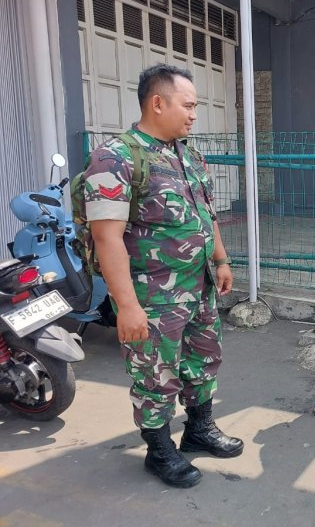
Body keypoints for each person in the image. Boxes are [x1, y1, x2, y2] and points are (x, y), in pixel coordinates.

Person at [84, 64, 243, 488]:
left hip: (199, 286)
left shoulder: (186, 153)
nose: (194, 115)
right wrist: (128, 307)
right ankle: (159, 451)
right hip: (151, 297)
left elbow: (206, 214)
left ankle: (199, 429)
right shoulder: (115, 157)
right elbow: (107, 238)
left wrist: (222, 261)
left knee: (203, 361)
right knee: (156, 375)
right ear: (158, 103)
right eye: (188, 105)